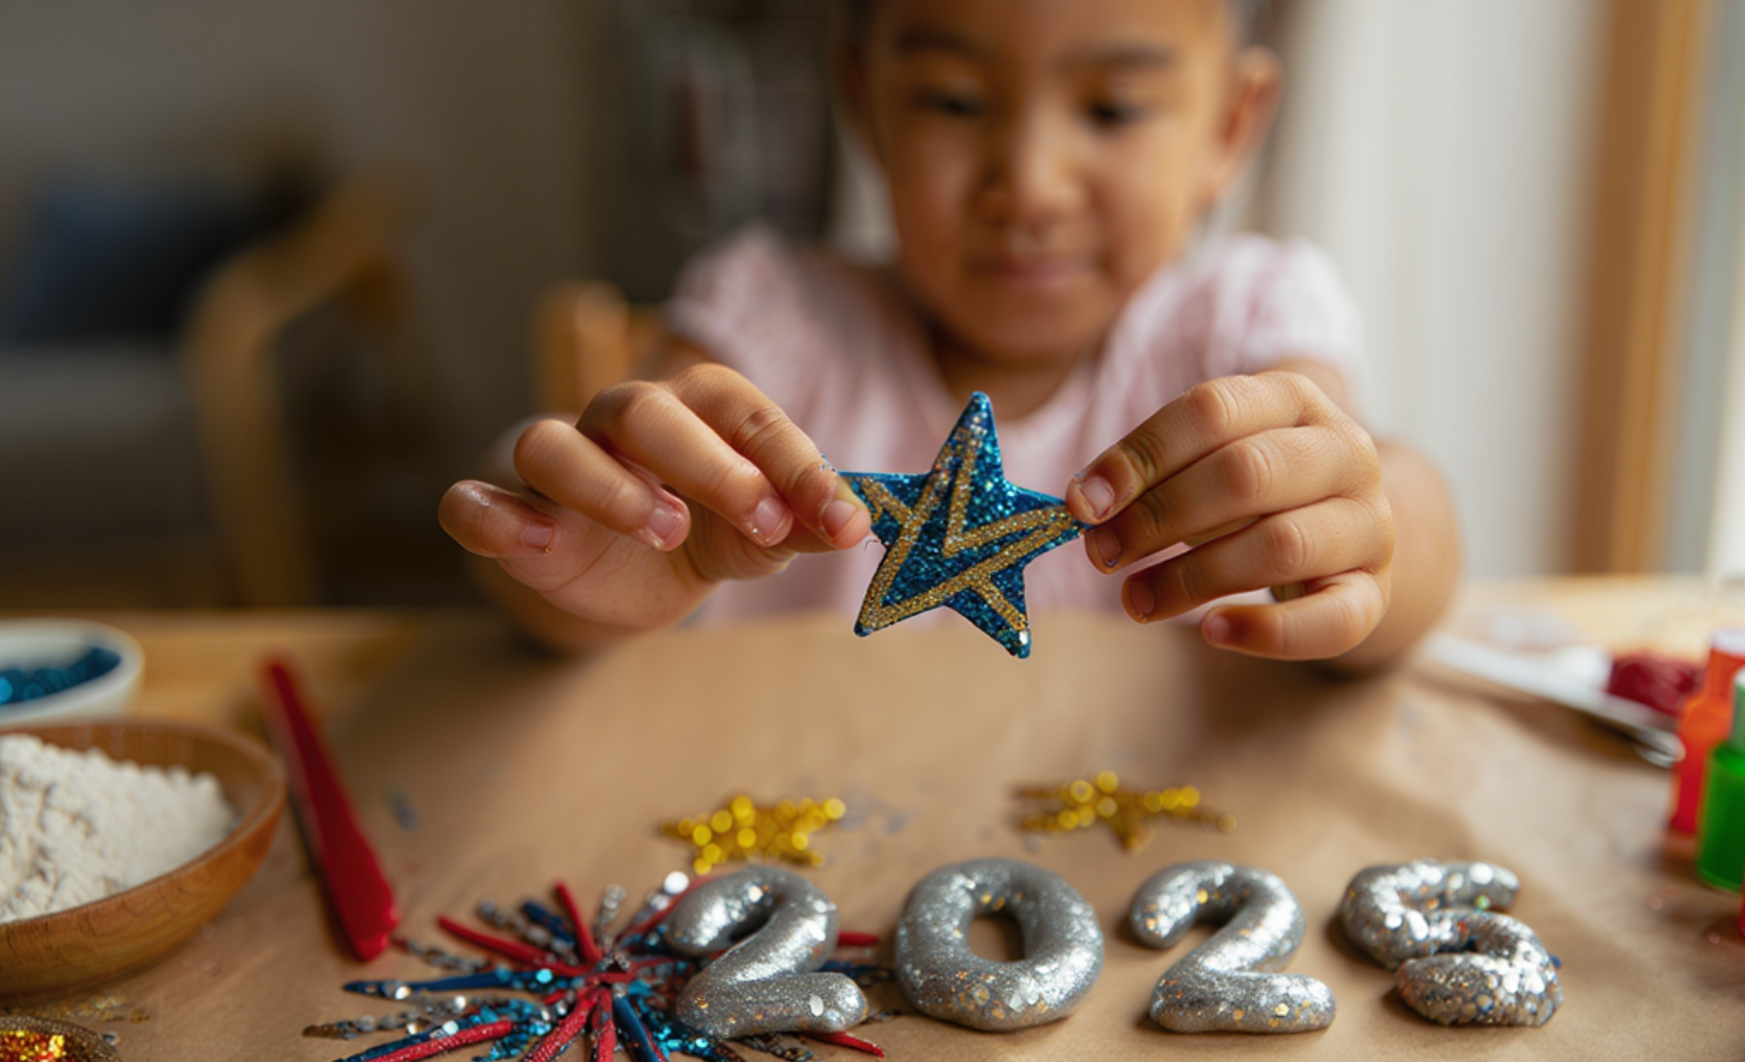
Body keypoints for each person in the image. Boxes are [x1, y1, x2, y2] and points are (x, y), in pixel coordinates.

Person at [438, 0, 1461, 672]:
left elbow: (1392, 509)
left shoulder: (1242, 329)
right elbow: (586, 530)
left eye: (1111, 108)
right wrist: (563, 536)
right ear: (864, 103)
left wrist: (1376, 533)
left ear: (1232, 127)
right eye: (955, 100)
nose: (1030, 181)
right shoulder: (772, 322)